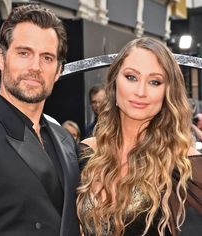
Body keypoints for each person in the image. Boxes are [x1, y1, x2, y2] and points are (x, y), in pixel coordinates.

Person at [0, 4, 80, 236]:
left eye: (47, 57)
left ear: (58, 70)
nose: (35, 67)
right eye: (24, 53)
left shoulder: (64, 138)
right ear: (0, 57)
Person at [77, 37, 202, 236]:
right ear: (114, 81)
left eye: (154, 82)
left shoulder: (185, 164)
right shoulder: (87, 153)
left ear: (167, 92)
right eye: (131, 77)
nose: (141, 91)